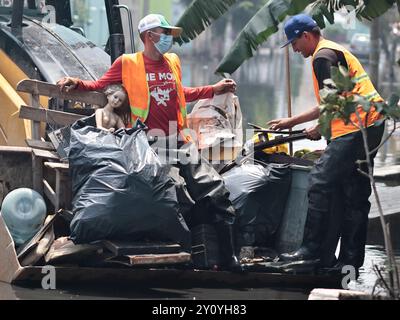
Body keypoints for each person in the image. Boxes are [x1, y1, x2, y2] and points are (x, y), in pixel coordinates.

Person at [57, 14, 241, 271]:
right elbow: (101, 84)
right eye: (162, 32)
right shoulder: (128, 63)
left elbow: (181, 93)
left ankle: (229, 257)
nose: (167, 37)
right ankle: (184, 255)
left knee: (215, 188)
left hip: (178, 140)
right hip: (147, 143)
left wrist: (213, 89)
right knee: (173, 192)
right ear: (148, 36)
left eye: (168, 33)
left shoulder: (173, 61)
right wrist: (76, 83)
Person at [267, 14, 385, 273]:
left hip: (357, 127)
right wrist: (293, 121)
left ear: (306, 35)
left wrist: (319, 128)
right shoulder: (332, 51)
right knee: (354, 195)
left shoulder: (323, 57)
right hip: (372, 122)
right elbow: (330, 102)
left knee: (319, 181)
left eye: (295, 43)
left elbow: (333, 106)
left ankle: (311, 252)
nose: (295, 50)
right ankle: (349, 263)